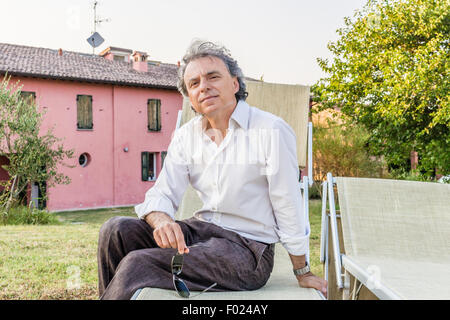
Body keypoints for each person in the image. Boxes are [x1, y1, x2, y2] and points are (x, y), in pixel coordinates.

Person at [97, 40, 327, 300]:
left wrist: (303, 270)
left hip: (246, 250)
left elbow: (288, 204)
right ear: (191, 99)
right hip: (198, 233)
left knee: (138, 265)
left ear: (235, 84)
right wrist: (162, 220)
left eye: (213, 77)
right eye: (193, 83)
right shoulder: (186, 136)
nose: (203, 87)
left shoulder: (271, 130)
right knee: (115, 231)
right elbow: (162, 191)